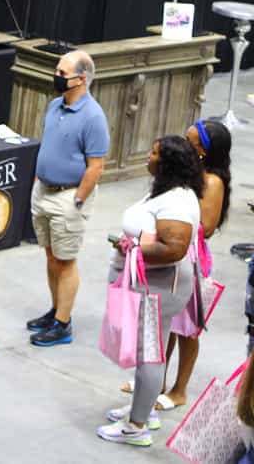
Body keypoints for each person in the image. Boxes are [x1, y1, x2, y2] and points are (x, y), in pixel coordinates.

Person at [98, 135, 200, 447]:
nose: (149, 156)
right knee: (151, 350)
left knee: (149, 355)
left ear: (169, 163)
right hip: (150, 287)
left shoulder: (178, 202)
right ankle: (144, 409)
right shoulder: (166, 191)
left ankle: (136, 427)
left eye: (155, 153)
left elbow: (174, 248)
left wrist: (133, 246)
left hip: (157, 290)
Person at [128, 119, 231, 409]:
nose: (185, 145)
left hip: (192, 257)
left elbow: (207, 226)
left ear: (204, 151)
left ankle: (179, 389)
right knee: (165, 324)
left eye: (191, 141)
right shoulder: (184, 175)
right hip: (174, 253)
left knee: (186, 328)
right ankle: (155, 380)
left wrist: (178, 217)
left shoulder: (211, 181)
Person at [26, 49, 109, 346]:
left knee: (66, 260)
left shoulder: (93, 117)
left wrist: (78, 200)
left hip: (68, 197)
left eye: (63, 74)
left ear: (81, 79)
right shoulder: (54, 106)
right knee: (51, 256)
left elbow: (96, 166)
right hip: (44, 191)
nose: (57, 77)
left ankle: (63, 324)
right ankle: (55, 310)